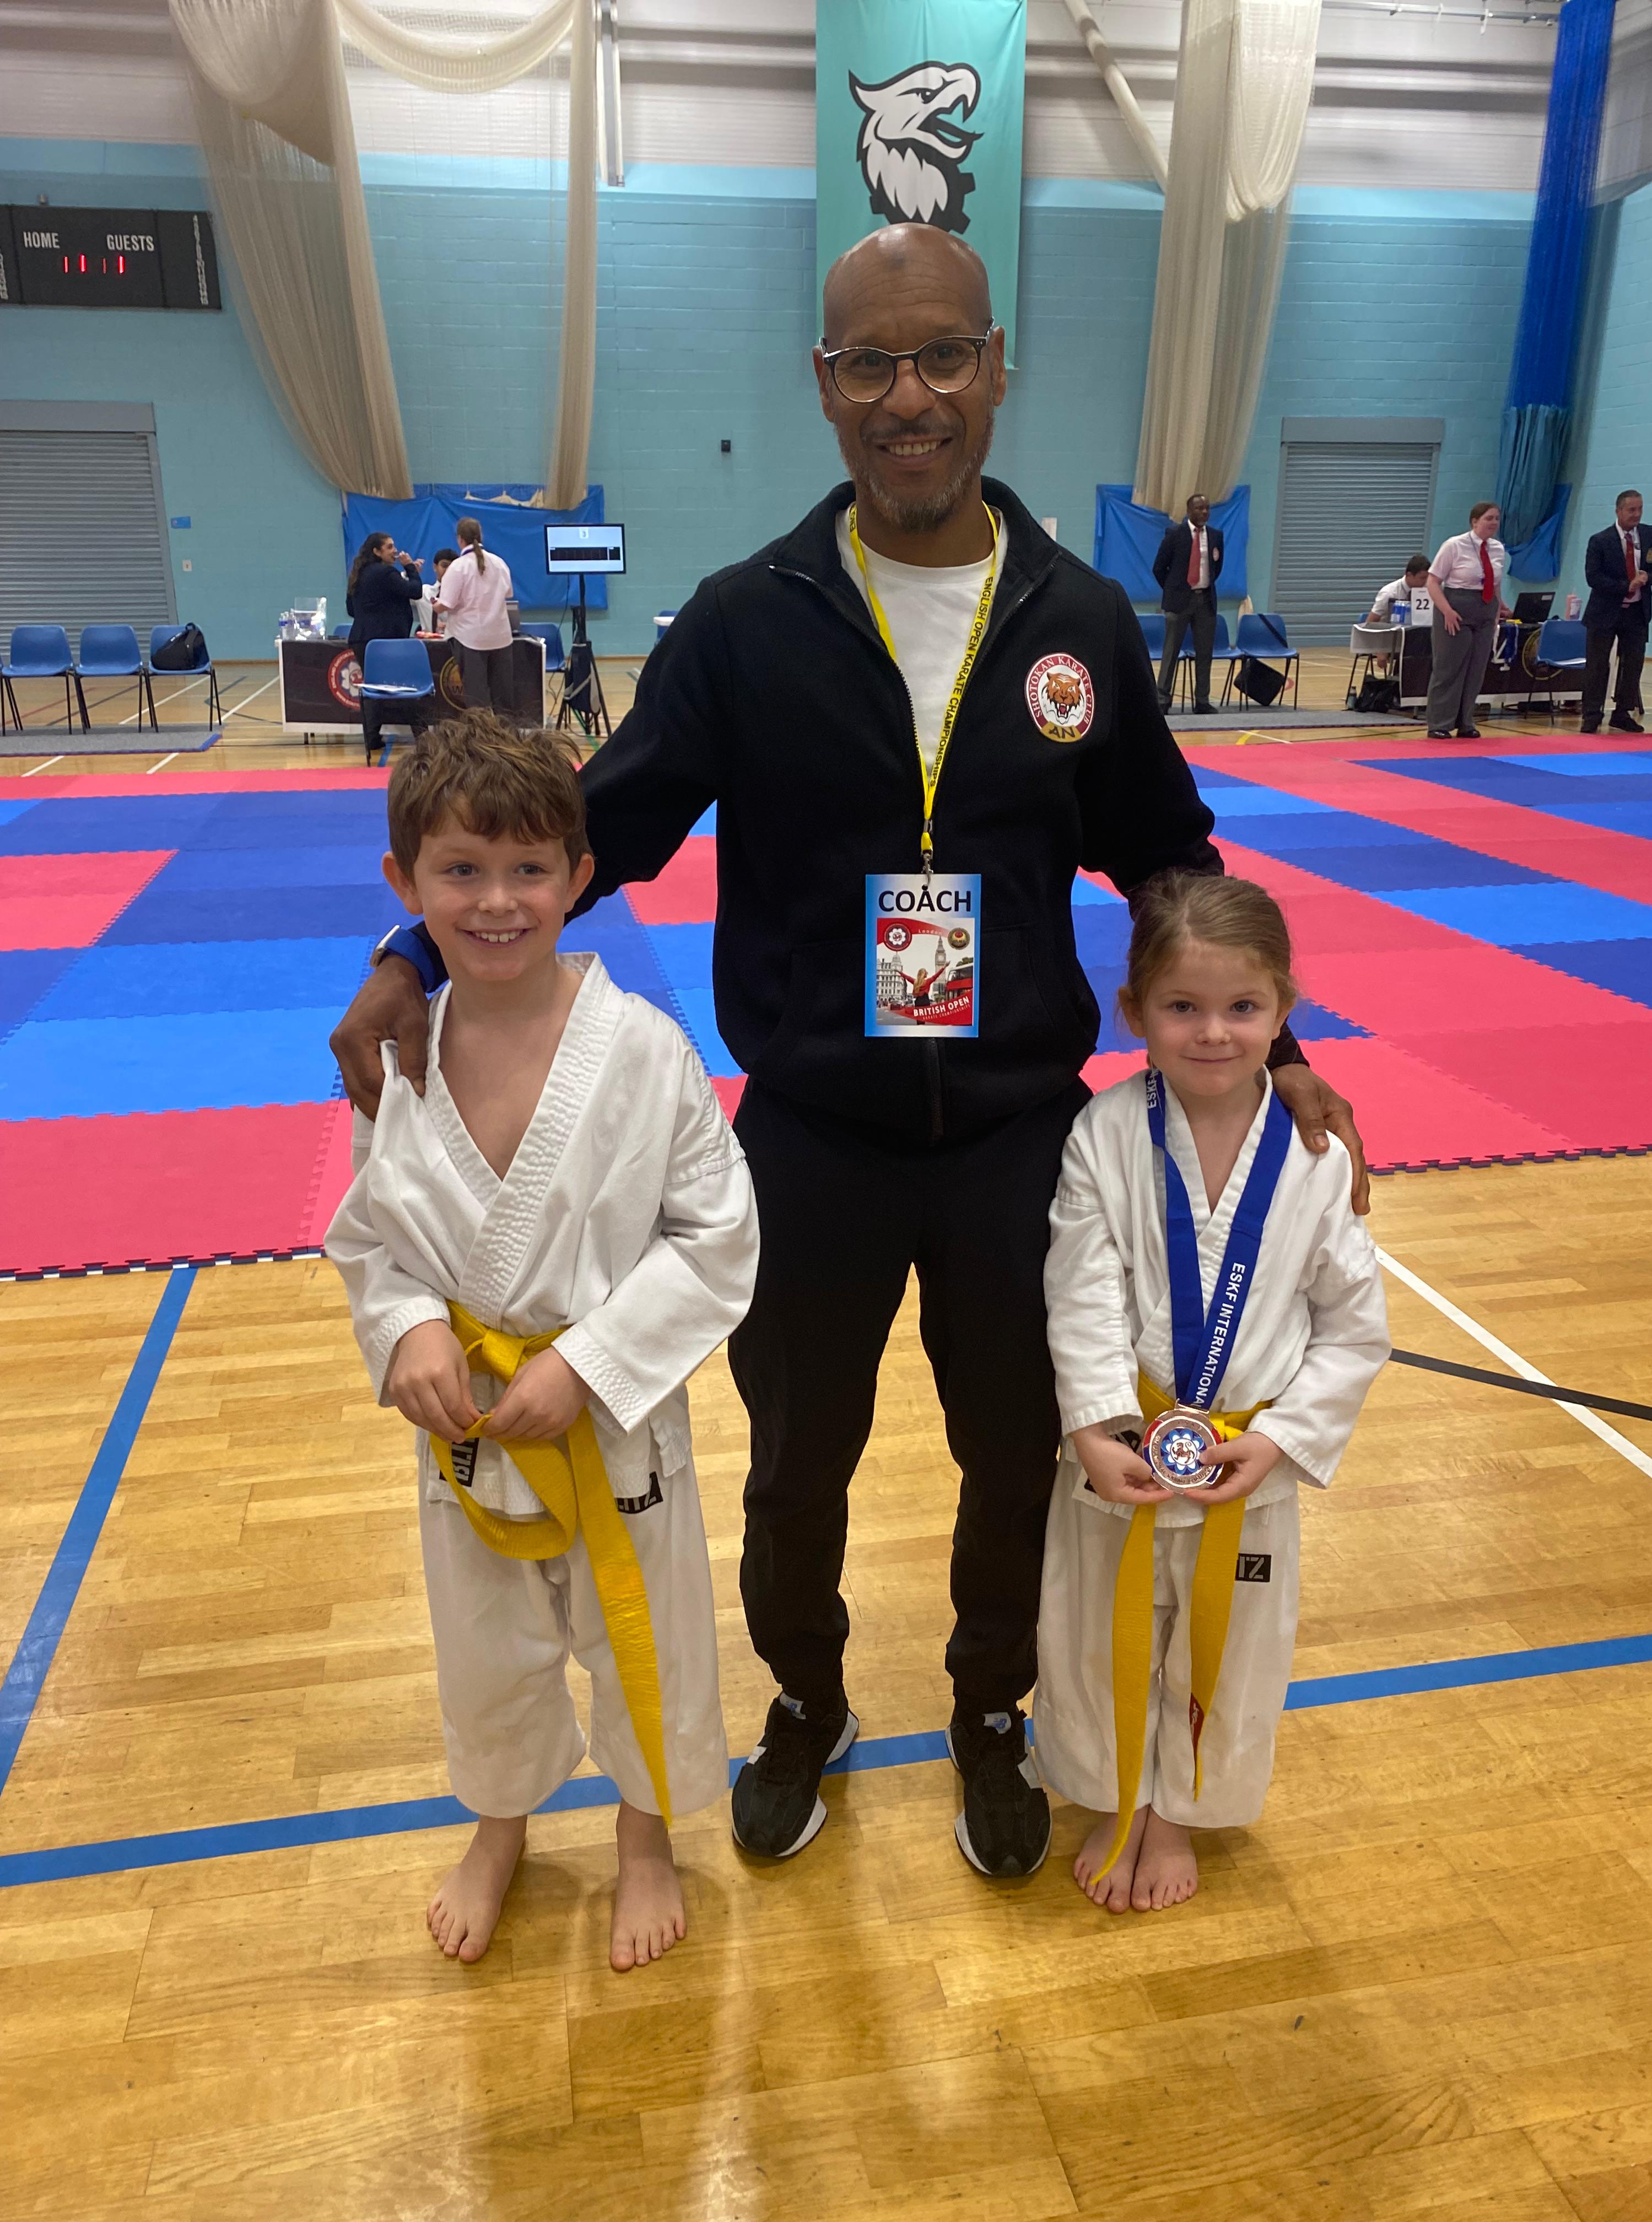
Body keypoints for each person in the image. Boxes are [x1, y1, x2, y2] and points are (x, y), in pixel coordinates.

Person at [330, 224, 1367, 1884]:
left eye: (943, 355)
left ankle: (989, 1709)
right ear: (825, 385)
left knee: (1018, 1451)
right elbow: (595, 829)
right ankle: (806, 1702)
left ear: (995, 368)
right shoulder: (750, 620)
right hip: (810, 1131)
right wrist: (407, 953)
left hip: (1021, 1136)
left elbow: (1170, 855)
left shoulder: (1079, 620)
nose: (910, 396)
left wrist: (1282, 1046)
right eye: (873, 362)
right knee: (796, 1460)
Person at [325, 713, 759, 1969]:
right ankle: (499, 1825)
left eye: (528, 870)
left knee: (645, 1636)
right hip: (467, 1420)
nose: (497, 901)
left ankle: (642, 1836)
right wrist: (407, 1326)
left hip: (614, 1419)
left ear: (579, 877)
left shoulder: (643, 1052)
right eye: (460, 871)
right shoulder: (397, 1056)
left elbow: (717, 1235)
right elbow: (368, 1232)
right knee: (484, 1642)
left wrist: (590, 1361)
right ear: (405, 884)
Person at [1034, 873, 1388, 1914]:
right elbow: (1080, 1286)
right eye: (1182, 1006)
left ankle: (1180, 1810)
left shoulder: (1314, 1159)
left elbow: (1353, 1328)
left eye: (1242, 1007)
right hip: (1124, 1448)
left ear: (1283, 1014)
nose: (1213, 1033)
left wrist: (1282, 1439)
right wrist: (1094, 1425)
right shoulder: (1103, 1132)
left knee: (1228, 1649)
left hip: (1247, 1460)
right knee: (1096, 1635)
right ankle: (1120, 1797)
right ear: (1134, 1011)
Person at [1580, 490, 1652, 735]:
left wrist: (1649, 577)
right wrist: (1625, 586)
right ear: (1618, 511)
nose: (1637, 514)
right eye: (1631, 510)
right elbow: (1593, 578)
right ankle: (1592, 714)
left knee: (1633, 663)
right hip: (1605, 611)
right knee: (1598, 665)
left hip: (1637, 611)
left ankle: (1622, 713)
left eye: (1640, 509)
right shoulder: (1600, 540)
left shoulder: (1650, 535)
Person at [1426, 502, 1509, 739]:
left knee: (1476, 669)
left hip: (1485, 610)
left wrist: (1498, 607)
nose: (1494, 523)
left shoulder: (1498, 549)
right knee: (1449, 668)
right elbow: (1433, 582)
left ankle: (1466, 722)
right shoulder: (1454, 545)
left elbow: (1495, 582)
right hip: (1456, 608)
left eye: (1497, 518)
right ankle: (1440, 723)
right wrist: (1447, 611)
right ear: (1474, 522)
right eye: (1489, 518)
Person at [437, 517, 517, 719]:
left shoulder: (458, 567)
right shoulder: (499, 563)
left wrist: (435, 605)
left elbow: (446, 604)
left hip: (470, 639)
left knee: (477, 698)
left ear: (460, 539)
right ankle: (506, 735)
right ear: (481, 537)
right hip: (500, 637)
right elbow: (508, 593)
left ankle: (481, 736)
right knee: (503, 696)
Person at [1152, 495, 1225, 715]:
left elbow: (1217, 568)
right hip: (1179, 602)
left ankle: (1202, 701)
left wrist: (1203, 586)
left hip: (1205, 601)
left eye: (1207, 508)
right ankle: (1162, 700)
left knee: (1204, 653)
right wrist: (1173, 590)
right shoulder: (1175, 534)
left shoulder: (1216, 536)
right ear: (1189, 511)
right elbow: (1159, 568)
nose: (1204, 512)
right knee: (1171, 652)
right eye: (1199, 508)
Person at [345, 532, 424, 654]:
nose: (395, 551)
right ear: (377, 552)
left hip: (360, 639)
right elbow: (416, 592)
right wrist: (410, 568)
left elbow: (351, 610)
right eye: (390, 547)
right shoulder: (387, 572)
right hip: (385, 641)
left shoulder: (358, 574)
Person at [1368, 556, 1433, 627]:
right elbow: (1370, 622)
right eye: (1422, 578)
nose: (1426, 581)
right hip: (1392, 631)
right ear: (1409, 575)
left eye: (1427, 578)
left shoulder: (1430, 590)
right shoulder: (1389, 593)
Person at [417, 548, 457, 636]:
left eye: (452, 567)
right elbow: (399, 591)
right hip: (427, 641)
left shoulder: (460, 595)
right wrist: (409, 573)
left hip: (453, 641)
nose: (448, 570)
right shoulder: (424, 592)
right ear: (435, 567)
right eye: (444, 566)